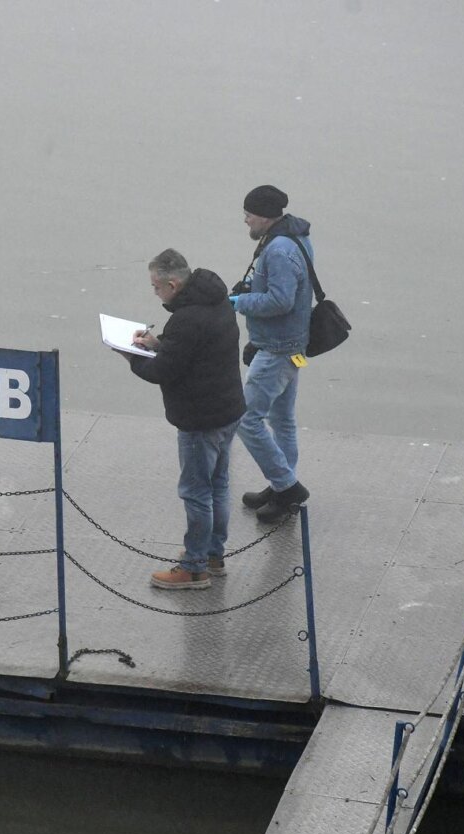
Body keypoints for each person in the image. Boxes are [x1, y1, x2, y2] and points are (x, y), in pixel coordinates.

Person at [122, 249, 246, 590]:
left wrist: (131, 355)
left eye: (156, 287)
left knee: (195, 492)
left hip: (199, 419)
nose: (155, 293)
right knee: (218, 485)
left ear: (173, 284)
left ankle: (193, 569)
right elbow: (190, 348)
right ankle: (212, 554)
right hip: (228, 409)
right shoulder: (217, 302)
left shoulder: (187, 318)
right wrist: (159, 342)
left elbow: (163, 372)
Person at [231, 185, 315, 523]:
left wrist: (237, 302)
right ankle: (281, 485)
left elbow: (281, 300)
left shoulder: (278, 250)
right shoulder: (296, 236)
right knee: (282, 420)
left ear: (264, 216)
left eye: (248, 214)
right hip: (296, 347)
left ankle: (286, 486)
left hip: (278, 349)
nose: (246, 220)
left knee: (245, 418)